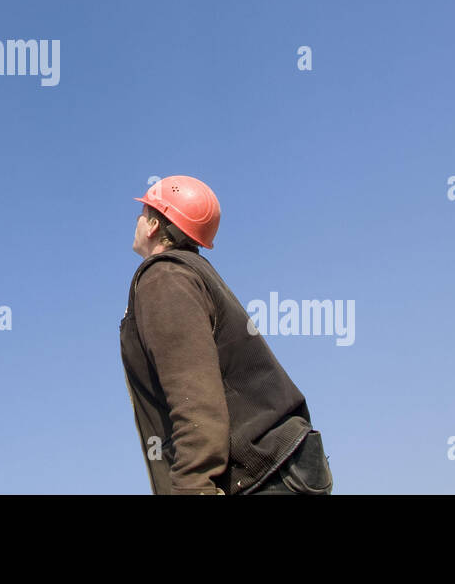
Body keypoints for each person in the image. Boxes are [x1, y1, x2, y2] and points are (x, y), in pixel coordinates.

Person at [119, 175, 332, 495]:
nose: (136, 220)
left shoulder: (165, 277)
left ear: (152, 225)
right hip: (282, 469)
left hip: (262, 479)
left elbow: (194, 399)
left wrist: (193, 486)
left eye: (142, 212)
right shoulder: (192, 273)